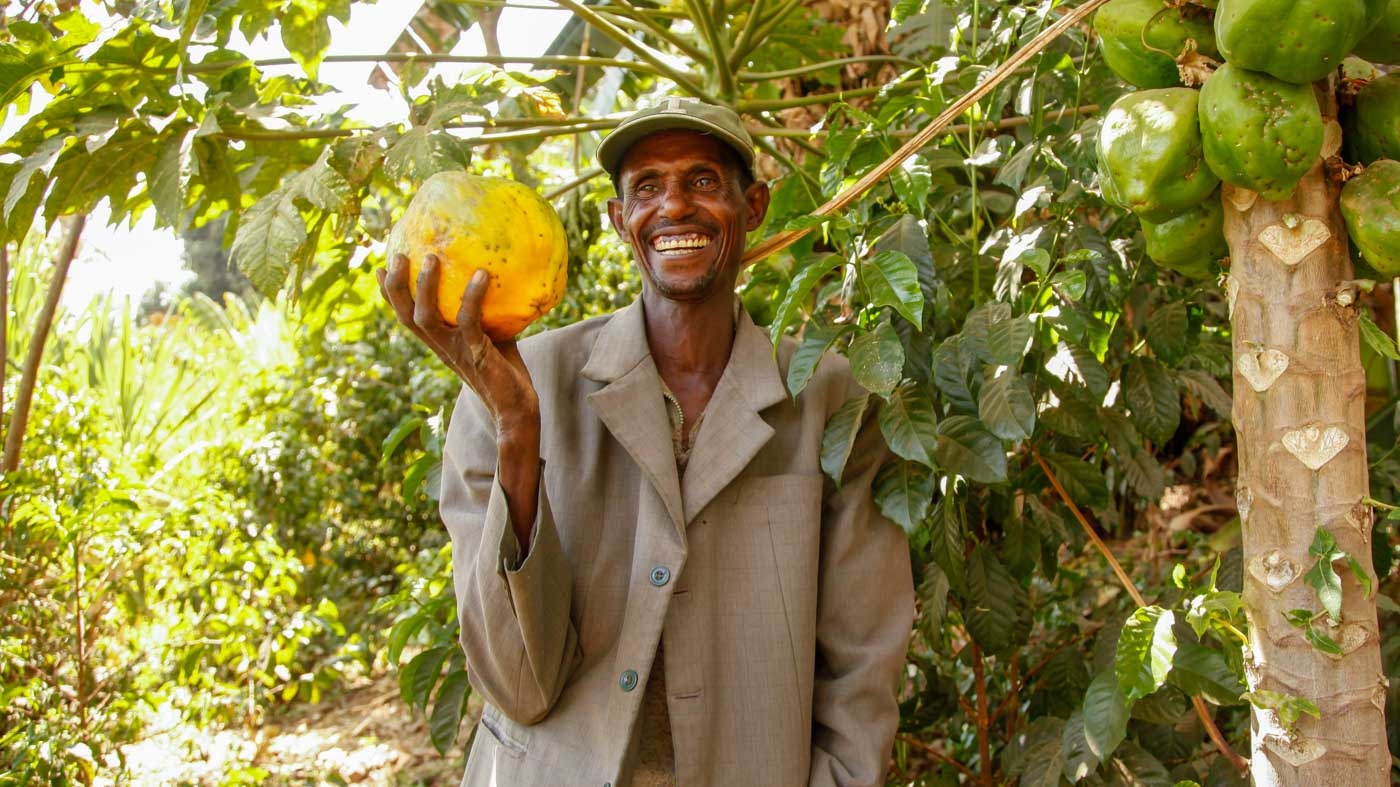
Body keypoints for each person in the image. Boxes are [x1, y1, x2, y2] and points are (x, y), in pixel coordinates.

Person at [378, 97, 915, 787]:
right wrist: (518, 433)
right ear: (619, 220)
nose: (675, 208)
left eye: (701, 181)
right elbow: (518, 685)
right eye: (647, 187)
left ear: (753, 206)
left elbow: (863, 666)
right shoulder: (514, 389)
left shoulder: (829, 396)